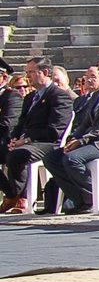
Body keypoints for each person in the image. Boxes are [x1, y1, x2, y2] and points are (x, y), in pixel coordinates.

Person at [42, 53, 99, 214]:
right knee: (52, 158)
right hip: (90, 141)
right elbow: (85, 122)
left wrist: (83, 140)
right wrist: (74, 138)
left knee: (72, 159)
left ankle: (91, 197)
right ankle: (78, 198)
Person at [0, 60, 73, 213]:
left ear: (45, 73)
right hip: (26, 141)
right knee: (9, 150)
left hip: (47, 143)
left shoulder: (58, 96)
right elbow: (20, 123)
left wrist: (26, 140)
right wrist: (14, 139)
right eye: (27, 73)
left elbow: (55, 130)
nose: (28, 77)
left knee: (17, 155)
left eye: (31, 72)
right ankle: (12, 193)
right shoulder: (31, 97)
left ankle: (18, 195)